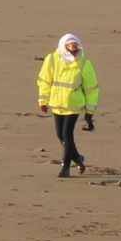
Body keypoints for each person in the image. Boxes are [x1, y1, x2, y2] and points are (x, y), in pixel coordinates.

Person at [36, 33, 99, 177]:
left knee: (67, 134)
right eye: (70, 49)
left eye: (75, 50)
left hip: (73, 105)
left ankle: (65, 167)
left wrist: (90, 110)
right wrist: (43, 101)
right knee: (60, 135)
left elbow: (92, 88)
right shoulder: (51, 59)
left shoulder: (84, 63)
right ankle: (77, 158)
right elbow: (44, 81)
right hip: (57, 103)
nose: (73, 52)